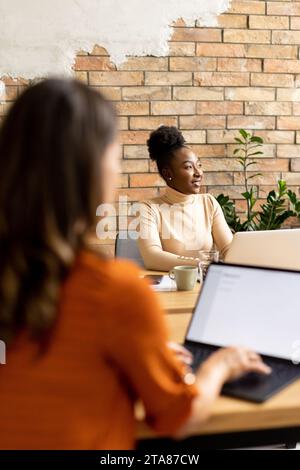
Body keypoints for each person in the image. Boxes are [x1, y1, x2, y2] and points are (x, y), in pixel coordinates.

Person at [0, 79, 270, 450]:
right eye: (115, 157)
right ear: (93, 172)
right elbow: (180, 414)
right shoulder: (113, 290)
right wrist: (220, 365)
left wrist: (138, 352)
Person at [137, 126, 233, 271]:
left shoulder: (208, 203)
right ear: (168, 173)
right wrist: (202, 264)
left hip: (206, 284)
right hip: (172, 289)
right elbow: (152, 257)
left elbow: (229, 249)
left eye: (198, 165)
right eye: (189, 167)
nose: (198, 172)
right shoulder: (149, 208)